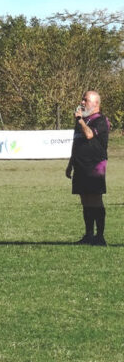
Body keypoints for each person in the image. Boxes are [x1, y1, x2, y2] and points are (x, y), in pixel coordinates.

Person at [66, 90, 110, 246]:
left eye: (86, 100)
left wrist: (80, 121)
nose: (82, 102)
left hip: (94, 167)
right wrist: (70, 163)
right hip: (80, 165)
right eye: (82, 99)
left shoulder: (101, 120)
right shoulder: (81, 121)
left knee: (95, 200)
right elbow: (76, 143)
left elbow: (89, 135)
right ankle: (89, 235)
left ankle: (100, 237)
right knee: (85, 201)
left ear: (96, 103)